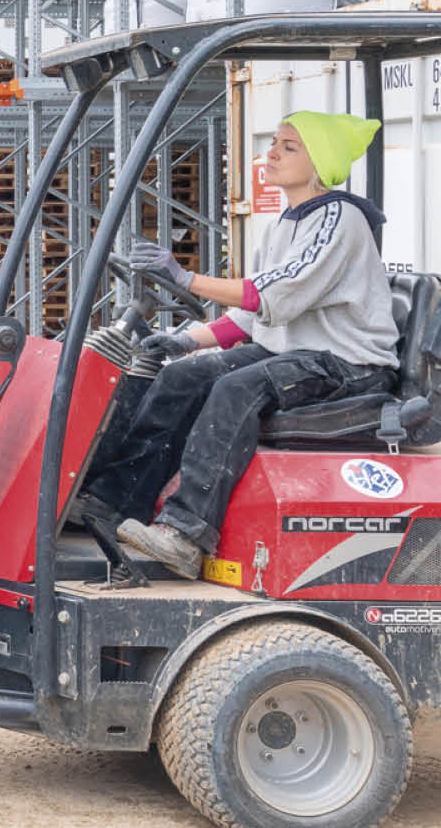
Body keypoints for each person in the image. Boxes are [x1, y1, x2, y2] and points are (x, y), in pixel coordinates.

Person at [76, 111, 400, 579]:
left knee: (235, 389)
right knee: (181, 376)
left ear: (319, 162)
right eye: (275, 142)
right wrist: (184, 341)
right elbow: (252, 316)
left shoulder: (338, 219)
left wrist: (187, 279)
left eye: (289, 147)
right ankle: (114, 501)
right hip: (295, 353)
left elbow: (272, 294)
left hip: (347, 364)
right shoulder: (285, 222)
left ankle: (186, 533)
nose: (272, 153)